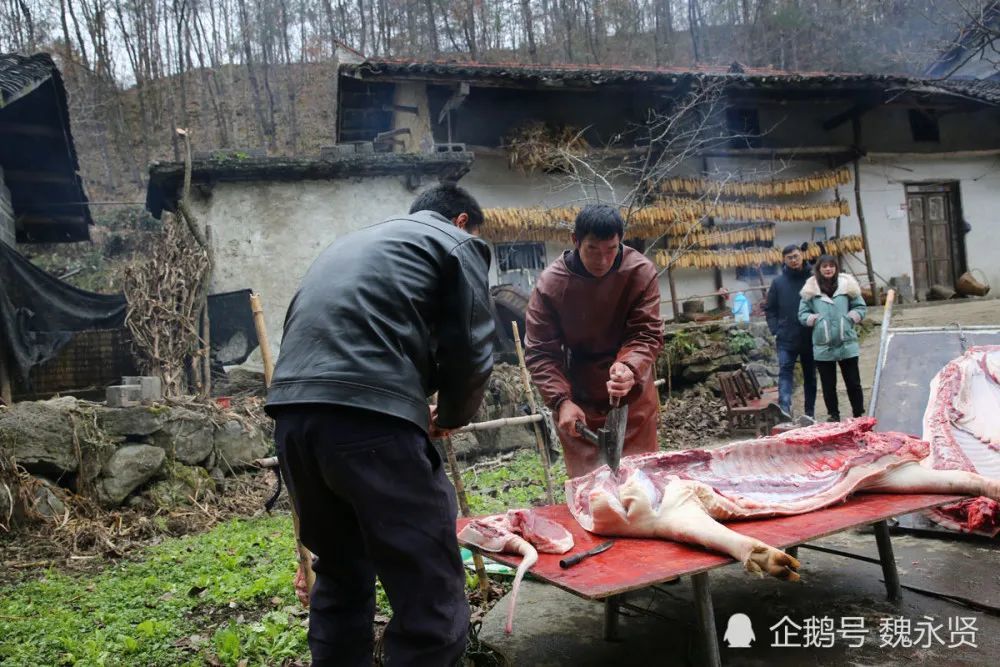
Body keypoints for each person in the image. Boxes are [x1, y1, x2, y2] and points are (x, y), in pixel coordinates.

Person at [264, 183, 495, 666]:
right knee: (429, 584)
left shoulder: (355, 246)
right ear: (461, 221)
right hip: (367, 421)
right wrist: (451, 415)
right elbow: (472, 348)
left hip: (293, 419)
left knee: (342, 570)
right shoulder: (456, 242)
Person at [524, 204, 663, 478]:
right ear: (575, 241)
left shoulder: (640, 272)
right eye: (593, 250)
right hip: (579, 398)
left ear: (620, 241)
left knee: (641, 484)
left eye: (611, 250)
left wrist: (629, 367)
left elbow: (646, 333)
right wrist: (561, 401)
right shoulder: (551, 284)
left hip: (631, 393)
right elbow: (541, 353)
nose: (602, 260)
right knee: (592, 492)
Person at [797, 255, 867, 421]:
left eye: (831, 266)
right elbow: (802, 313)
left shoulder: (847, 286)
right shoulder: (810, 289)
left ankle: (858, 415)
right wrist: (814, 320)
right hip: (823, 344)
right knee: (828, 385)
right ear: (819, 269)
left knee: (853, 383)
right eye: (824, 266)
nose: (828, 269)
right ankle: (833, 416)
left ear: (836, 268)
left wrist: (850, 318)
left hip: (846, 342)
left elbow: (861, 307)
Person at [764, 244, 817, 419]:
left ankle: (809, 413)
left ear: (802, 256)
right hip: (786, 337)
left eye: (796, 256)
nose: (793, 260)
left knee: (810, 376)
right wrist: (775, 330)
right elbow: (770, 309)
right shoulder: (778, 282)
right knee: (785, 372)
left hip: (810, 336)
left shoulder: (813, 279)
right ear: (784, 260)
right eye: (789, 258)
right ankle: (784, 411)